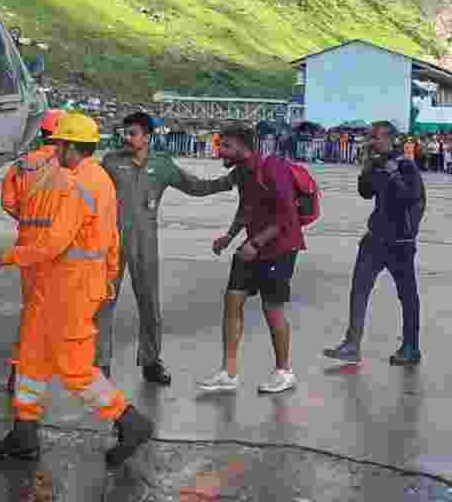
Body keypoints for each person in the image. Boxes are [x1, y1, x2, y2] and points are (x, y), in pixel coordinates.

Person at [0, 113, 154, 467]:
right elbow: (111, 235)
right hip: (60, 285)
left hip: (70, 288)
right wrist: (107, 277)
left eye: (59, 143)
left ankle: (130, 421)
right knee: (31, 357)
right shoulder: (99, 179)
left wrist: (6, 257)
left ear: (72, 147)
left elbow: (52, 244)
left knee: (75, 369)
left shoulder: (77, 186)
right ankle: (24, 432)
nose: (55, 149)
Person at [96, 111, 237, 384]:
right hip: (110, 243)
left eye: (132, 133)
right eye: (124, 133)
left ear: (147, 137)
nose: (126, 137)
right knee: (103, 305)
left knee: (149, 304)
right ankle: (100, 366)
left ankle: (151, 361)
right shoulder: (111, 163)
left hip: (145, 244)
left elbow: (193, 186)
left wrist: (226, 183)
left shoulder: (162, 165)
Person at [200, 125, 306, 395]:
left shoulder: (272, 168)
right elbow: (246, 207)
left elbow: (287, 216)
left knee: (272, 309)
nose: (219, 151)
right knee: (232, 299)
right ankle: (229, 372)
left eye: (225, 146)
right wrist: (229, 236)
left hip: (279, 248)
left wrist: (256, 243)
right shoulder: (242, 173)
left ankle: (284, 371)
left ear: (243, 147)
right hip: (252, 246)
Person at [323, 120, 426, 366]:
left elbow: (410, 197)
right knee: (359, 289)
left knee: (407, 295)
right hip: (375, 238)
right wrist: (368, 169)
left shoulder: (405, 165)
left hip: (400, 241)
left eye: (376, 137)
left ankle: (411, 347)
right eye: (371, 137)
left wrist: (392, 173)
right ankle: (352, 344)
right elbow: (365, 192)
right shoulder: (377, 163)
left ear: (390, 138)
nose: (372, 141)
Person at [0, 109, 65, 396]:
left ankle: (20, 370)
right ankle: (28, 372)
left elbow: (8, 202)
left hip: (27, 242)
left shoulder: (23, 164)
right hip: (56, 245)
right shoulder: (69, 165)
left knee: (32, 308)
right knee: (49, 311)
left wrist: (27, 220)